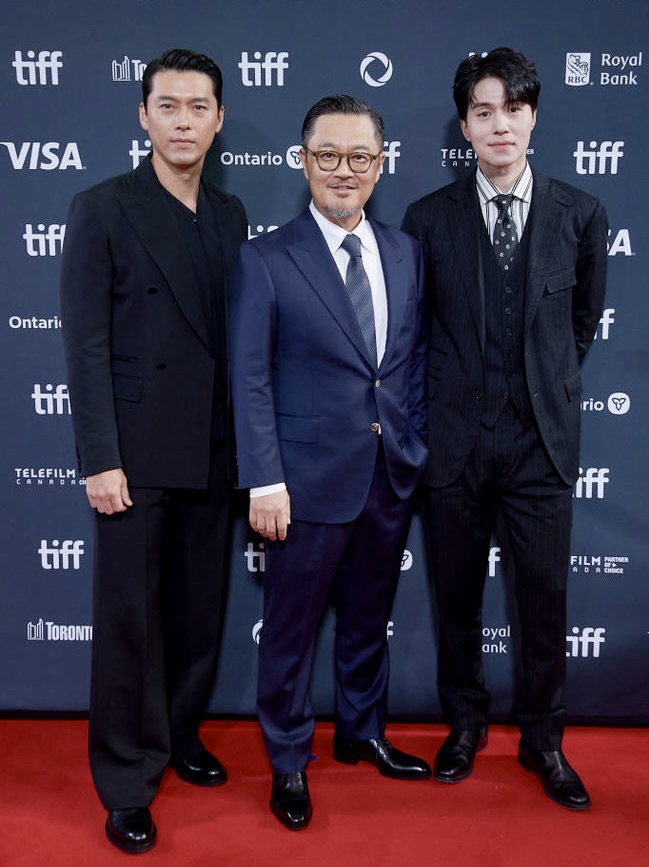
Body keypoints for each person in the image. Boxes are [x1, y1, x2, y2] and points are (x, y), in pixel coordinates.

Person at [402, 47, 607, 810]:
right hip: (454, 441)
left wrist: (541, 389)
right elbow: (417, 334)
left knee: (543, 597)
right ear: (465, 124)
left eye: (514, 109)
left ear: (533, 116)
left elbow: (580, 323)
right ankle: (464, 724)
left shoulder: (581, 213)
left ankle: (544, 738)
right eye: (484, 111)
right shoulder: (428, 219)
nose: (500, 124)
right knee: (455, 594)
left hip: (540, 442)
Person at [60, 48, 247, 853]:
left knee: (198, 611)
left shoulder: (231, 215)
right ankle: (127, 778)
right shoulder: (102, 206)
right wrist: (100, 457)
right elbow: (86, 345)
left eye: (197, 106)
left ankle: (179, 733)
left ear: (218, 119)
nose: (182, 120)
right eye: (166, 106)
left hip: (214, 447)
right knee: (133, 621)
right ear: (143, 116)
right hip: (133, 456)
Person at [230, 95, 431, 830]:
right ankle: (287, 758)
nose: (343, 171)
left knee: (367, 619)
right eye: (327, 155)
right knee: (289, 628)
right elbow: (250, 375)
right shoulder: (266, 257)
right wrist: (265, 477)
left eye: (359, 157)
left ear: (381, 164)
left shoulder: (406, 251)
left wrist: (412, 444)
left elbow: (405, 364)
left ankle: (362, 730)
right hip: (303, 483)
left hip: (389, 473)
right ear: (303, 160)